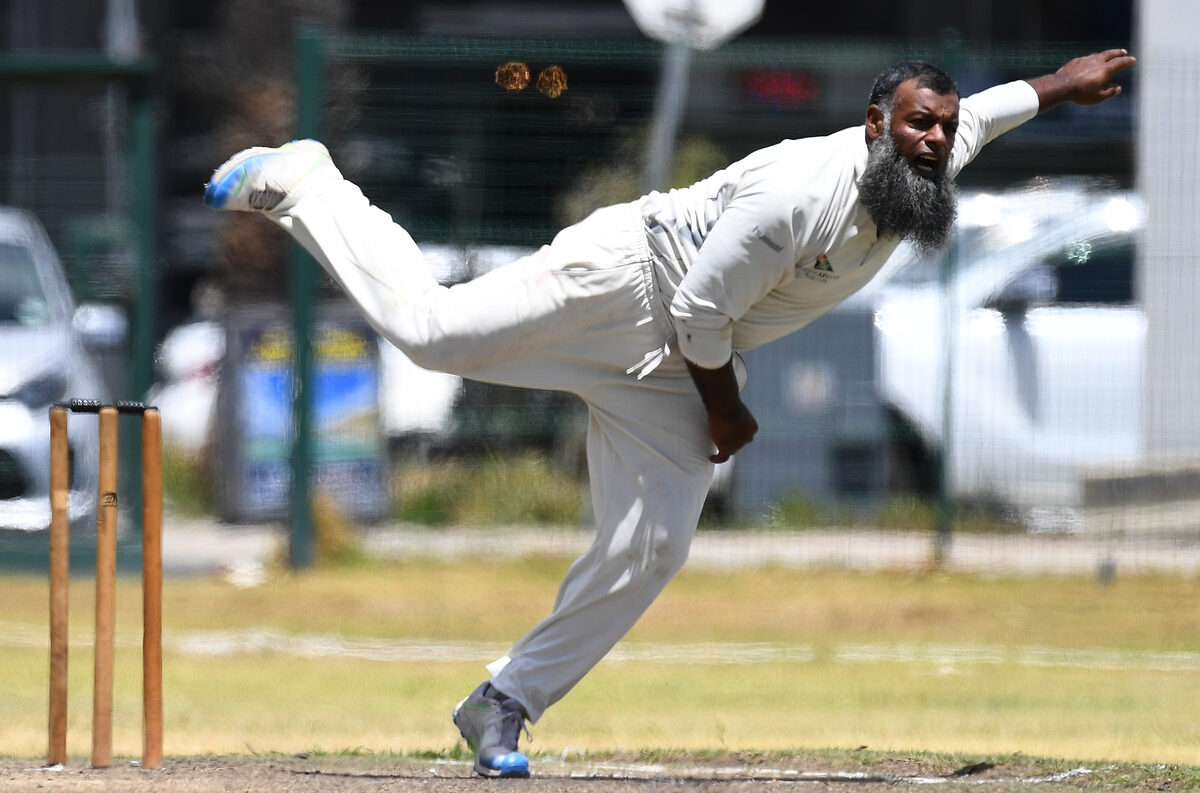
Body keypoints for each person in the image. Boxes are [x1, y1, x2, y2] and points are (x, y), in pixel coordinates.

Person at [203, 49, 1134, 778]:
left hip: (675, 359)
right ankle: (310, 182)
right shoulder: (798, 195)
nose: (933, 140)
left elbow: (1010, 103)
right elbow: (697, 311)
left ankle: (503, 701)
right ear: (873, 127)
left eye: (941, 127)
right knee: (433, 336)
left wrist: (1068, 83)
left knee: (655, 543)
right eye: (916, 126)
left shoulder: (936, 157)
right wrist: (727, 420)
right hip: (624, 285)